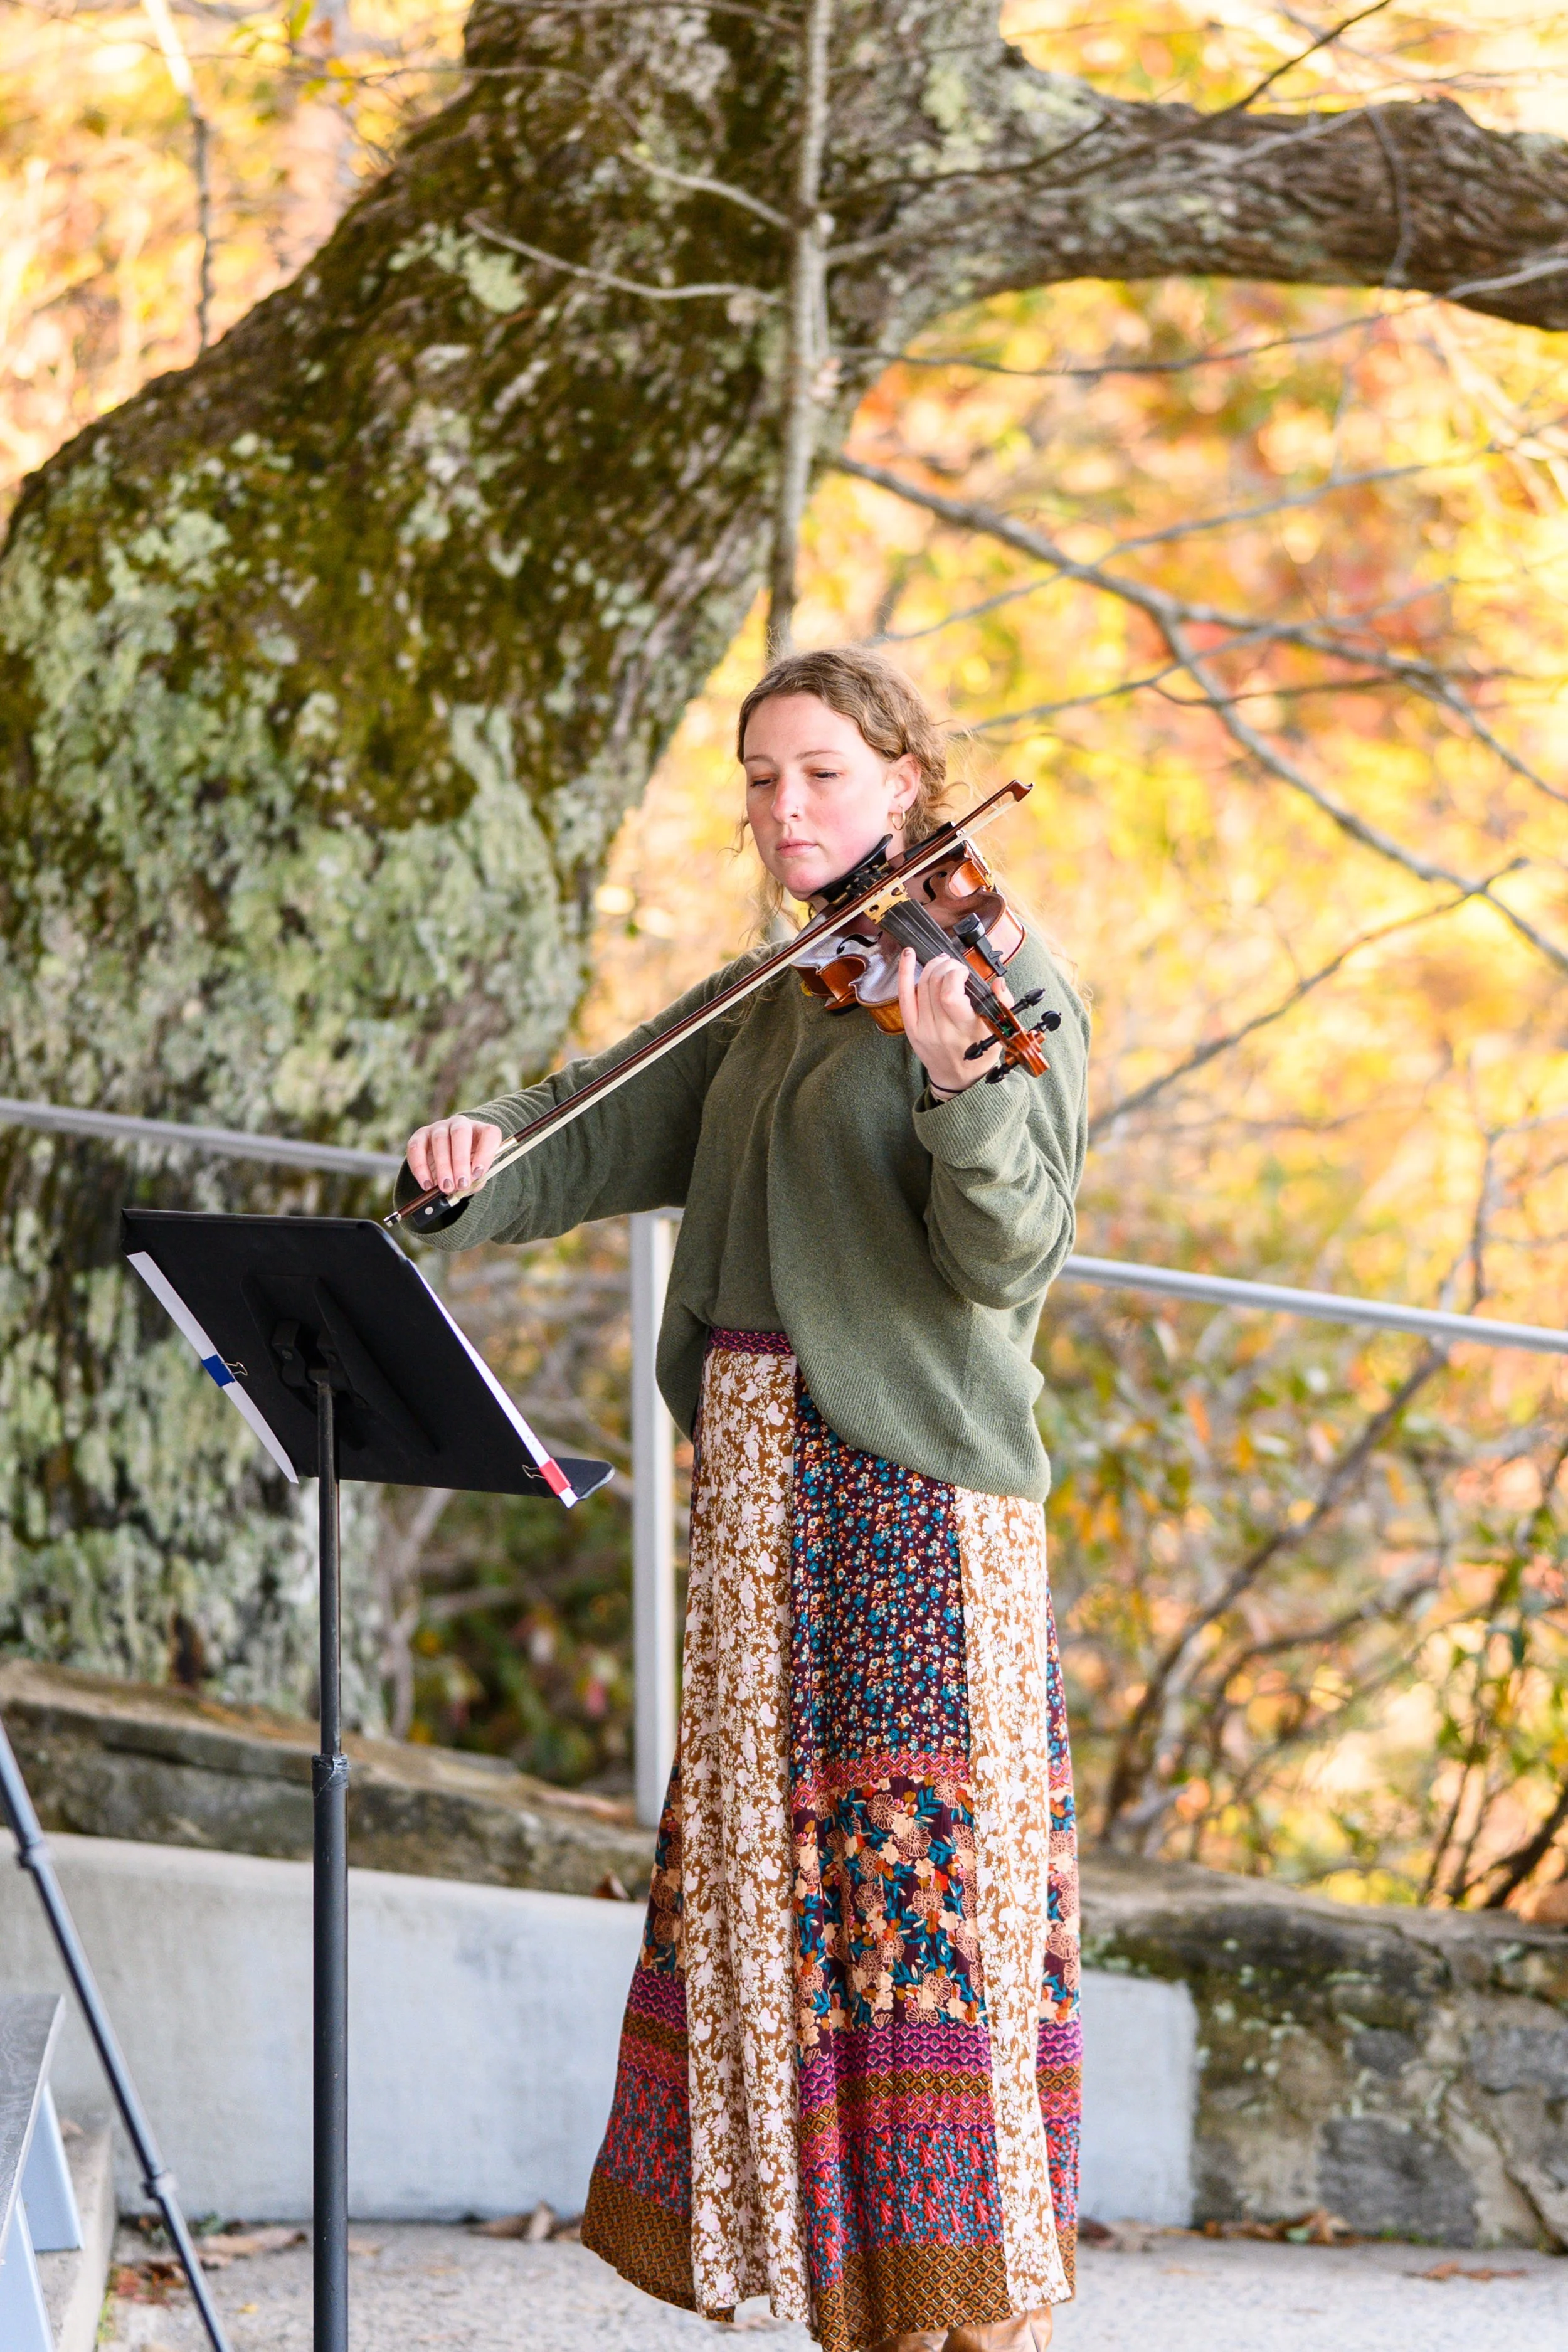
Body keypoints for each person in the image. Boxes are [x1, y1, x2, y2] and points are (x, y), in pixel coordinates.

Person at [399, 646, 1089, 2352]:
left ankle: (975, 2309)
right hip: (756, 1490)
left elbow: (1007, 1257)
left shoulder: (994, 982)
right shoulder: (781, 988)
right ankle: (864, 2305)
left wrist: (959, 1091)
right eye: (763, 778)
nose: (786, 808)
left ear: (907, 782)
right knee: (781, 1907)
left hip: (909, 1492)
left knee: (915, 1912)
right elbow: (590, 1123)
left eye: (823, 774)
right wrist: (467, 1166)